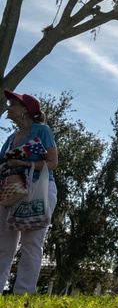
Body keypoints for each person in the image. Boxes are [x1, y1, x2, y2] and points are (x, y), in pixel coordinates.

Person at [0, 90, 58, 294]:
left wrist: (22, 162)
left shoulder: (42, 131)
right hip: (11, 191)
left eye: (13, 104)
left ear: (25, 110)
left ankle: (23, 293)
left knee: (31, 243)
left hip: (38, 189)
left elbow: (52, 163)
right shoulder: (11, 138)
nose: (8, 107)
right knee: (3, 245)